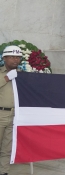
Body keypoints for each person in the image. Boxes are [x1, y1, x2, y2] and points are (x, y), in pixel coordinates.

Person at [0, 46, 19, 175]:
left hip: (15, 115)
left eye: (18, 57)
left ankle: (4, 171)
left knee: (7, 147)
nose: (15, 60)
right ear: (4, 58)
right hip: (1, 113)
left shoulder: (22, 75)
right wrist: (6, 78)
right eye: (12, 57)